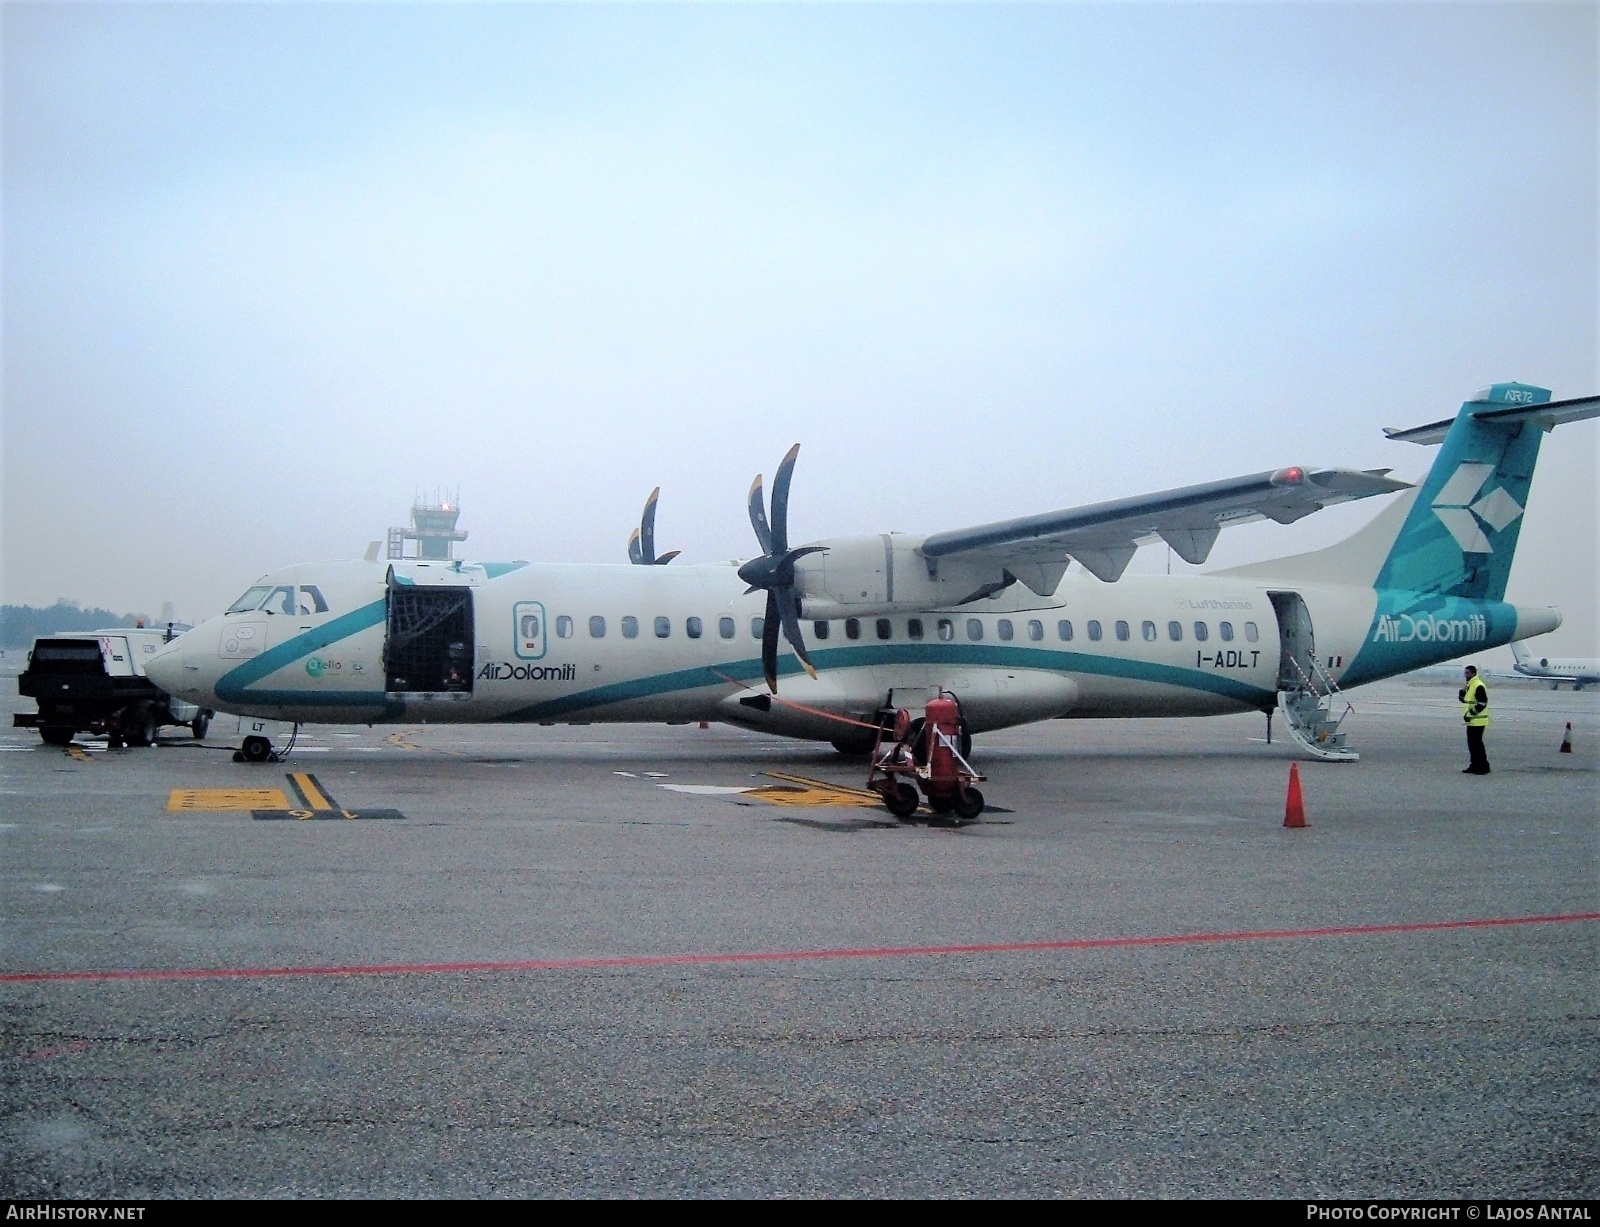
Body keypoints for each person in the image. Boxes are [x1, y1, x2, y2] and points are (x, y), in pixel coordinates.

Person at [1458, 664, 1490, 774]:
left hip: (1478, 720)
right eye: (1465, 673)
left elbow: (1482, 703)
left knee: (1477, 744)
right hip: (1472, 720)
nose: (1465, 675)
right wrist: (1462, 692)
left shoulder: (1478, 685)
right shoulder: (1470, 685)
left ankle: (1482, 767)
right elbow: (1465, 700)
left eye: (1467, 673)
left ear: (1473, 673)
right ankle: (1475, 765)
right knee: (1472, 744)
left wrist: (1471, 713)